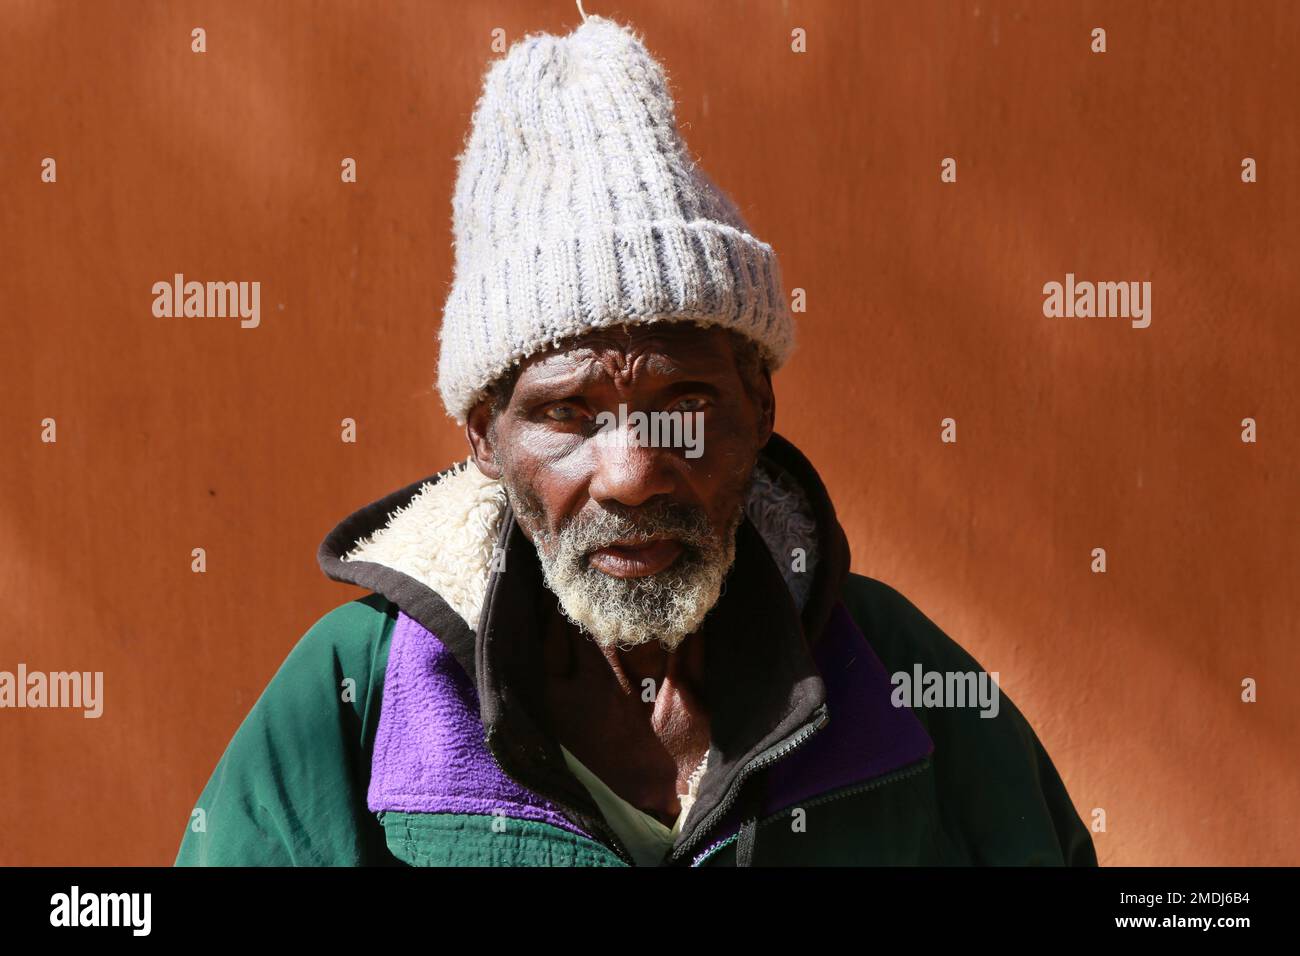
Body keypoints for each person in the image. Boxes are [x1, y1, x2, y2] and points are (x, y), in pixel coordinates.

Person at [175, 12, 1096, 867]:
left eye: (684, 403)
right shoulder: (366, 690)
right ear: (485, 440)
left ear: (759, 409)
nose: (631, 473)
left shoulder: (893, 674)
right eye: (568, 415)